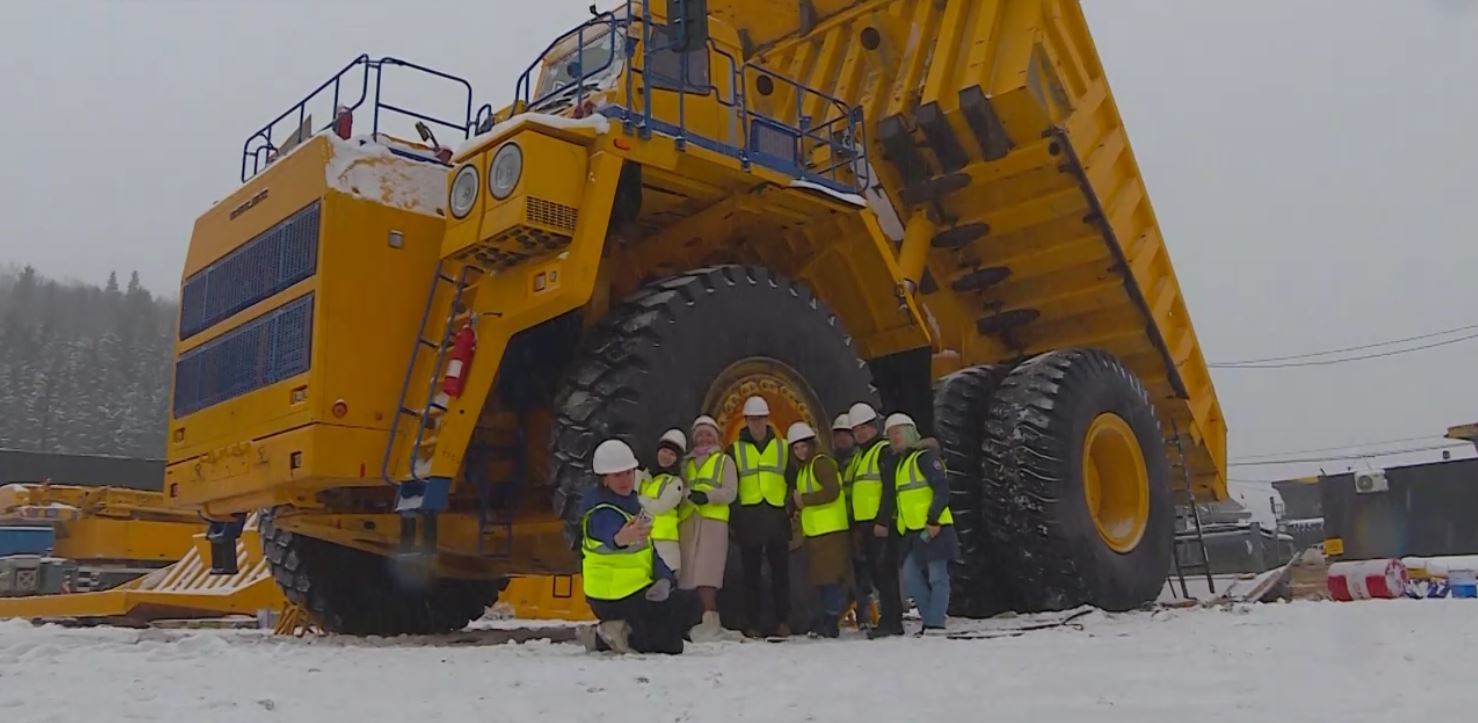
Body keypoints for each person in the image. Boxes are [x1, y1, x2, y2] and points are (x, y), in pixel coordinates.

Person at [575, 439, 699, 654]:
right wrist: (620, 538)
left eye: (628, 473)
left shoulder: (634, 506)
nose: (625, 480)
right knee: (670, 644)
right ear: (604, 479)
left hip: (638, 591)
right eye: (617, 475)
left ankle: (623, 632)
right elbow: (609, 533)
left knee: (690, 603)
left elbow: (650, 552)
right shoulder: (600, 510)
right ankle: (603, 638)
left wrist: (664, 580)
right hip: (612, 597)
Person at [880, 413, 956, 636]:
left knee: (937, 576)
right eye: (890, 434)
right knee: (912, 577)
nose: (893, 437)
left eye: (897, 432)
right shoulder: (903, 462)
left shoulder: (924, 458)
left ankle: (935, 623)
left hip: (933, 528)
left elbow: (942, 489)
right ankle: (930, 620)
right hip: (913, 532)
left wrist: (933, 519)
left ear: (909, 432)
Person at [729, 396, 793, 638]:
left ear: (767, 419)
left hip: (776, 516)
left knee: (781, 574)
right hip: (749, 517)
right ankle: (753, 622)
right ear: (745, 421)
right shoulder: (735, 450)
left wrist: (790, 506)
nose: (756, 423)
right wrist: (735, 518)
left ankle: (782, 620)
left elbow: (793, 479)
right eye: (752, 419)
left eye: (760, 418)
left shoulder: (783, 447)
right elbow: (731, 483)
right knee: (751, 575)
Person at [679, 415, 742, 642]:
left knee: (708, 573)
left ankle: (710, 619)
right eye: (699, 435)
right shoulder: (686, 464)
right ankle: (689, 619)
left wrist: (708, 497)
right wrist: (688, 496)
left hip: (713, 521)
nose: (703, 439)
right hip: (690, 519)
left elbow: (730, 492)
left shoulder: (724, 462)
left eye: (708, 435)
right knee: (687, 573)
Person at [787, 422, 850, 639]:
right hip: (816, 531)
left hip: (830, 529)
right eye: (796, 448)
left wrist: (804, 501)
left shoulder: (821, 463)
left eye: (803, 446)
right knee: (821, 578)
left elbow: (832, 491)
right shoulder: (806, 468)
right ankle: (825, 616)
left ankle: (831, 619)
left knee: (830, 579)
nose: (800, 452)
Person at [848, 402, 905, 639]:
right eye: (857, 429)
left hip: (880, 524)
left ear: (874, 426)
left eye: (865, 427)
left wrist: (883, 520)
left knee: (885, 573)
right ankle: (889, 618)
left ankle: (892, 620)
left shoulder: (882, 451)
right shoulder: (860, 456)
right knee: (877, 573)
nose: (861, 432)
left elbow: (889, 488)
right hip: (867, 524)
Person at [640, 429, 688, 576]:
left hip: (664, 543)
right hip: (644, 539)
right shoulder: (648, 476)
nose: (666, 456)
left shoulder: (675, 482)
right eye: (664, 451)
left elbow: (660, 507)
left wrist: (641, 500)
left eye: (672, 454)